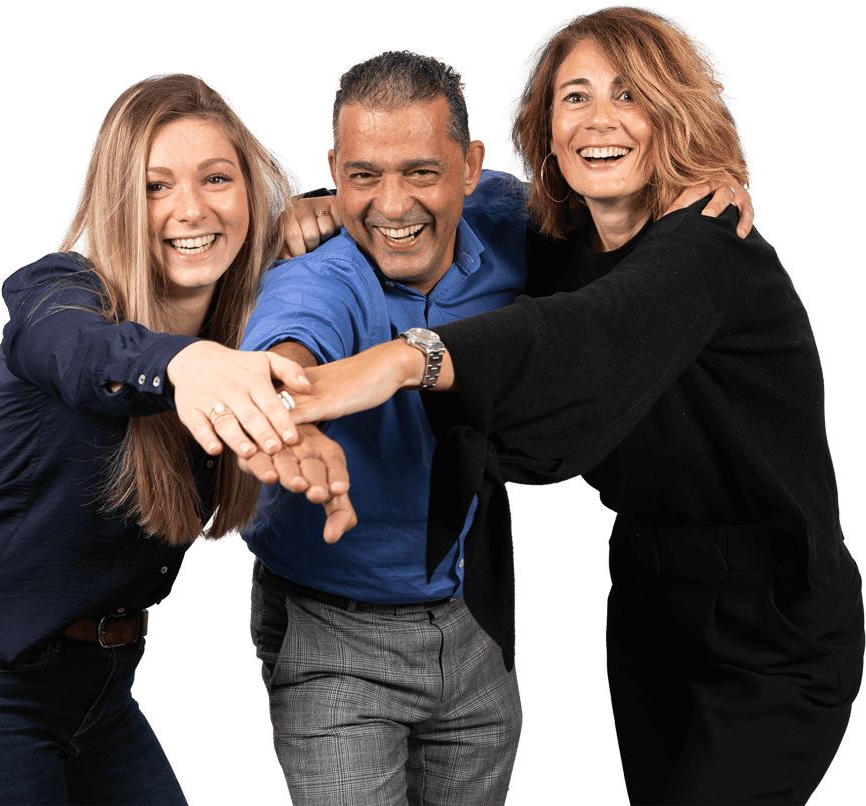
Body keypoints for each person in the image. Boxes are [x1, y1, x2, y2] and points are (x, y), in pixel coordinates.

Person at [286, 7, 865, 805]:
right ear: (545, 129)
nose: (600, 121)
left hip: (775, 624)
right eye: (575, 98)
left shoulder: (709, 245)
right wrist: (321, 203)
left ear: (674, 114)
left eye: (630, 96)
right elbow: (436, 195)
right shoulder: (554, 237)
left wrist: (403, 359)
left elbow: (593, 332)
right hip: (649, 604)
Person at [0, 71, 349, 805]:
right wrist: (186, 364)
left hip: (97, 695)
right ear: (119, 201)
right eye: (156, 186)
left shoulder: (253, 320)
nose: (191, 209)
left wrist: (316, 207)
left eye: (217, 178)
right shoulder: (60, 293)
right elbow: (77, 352)